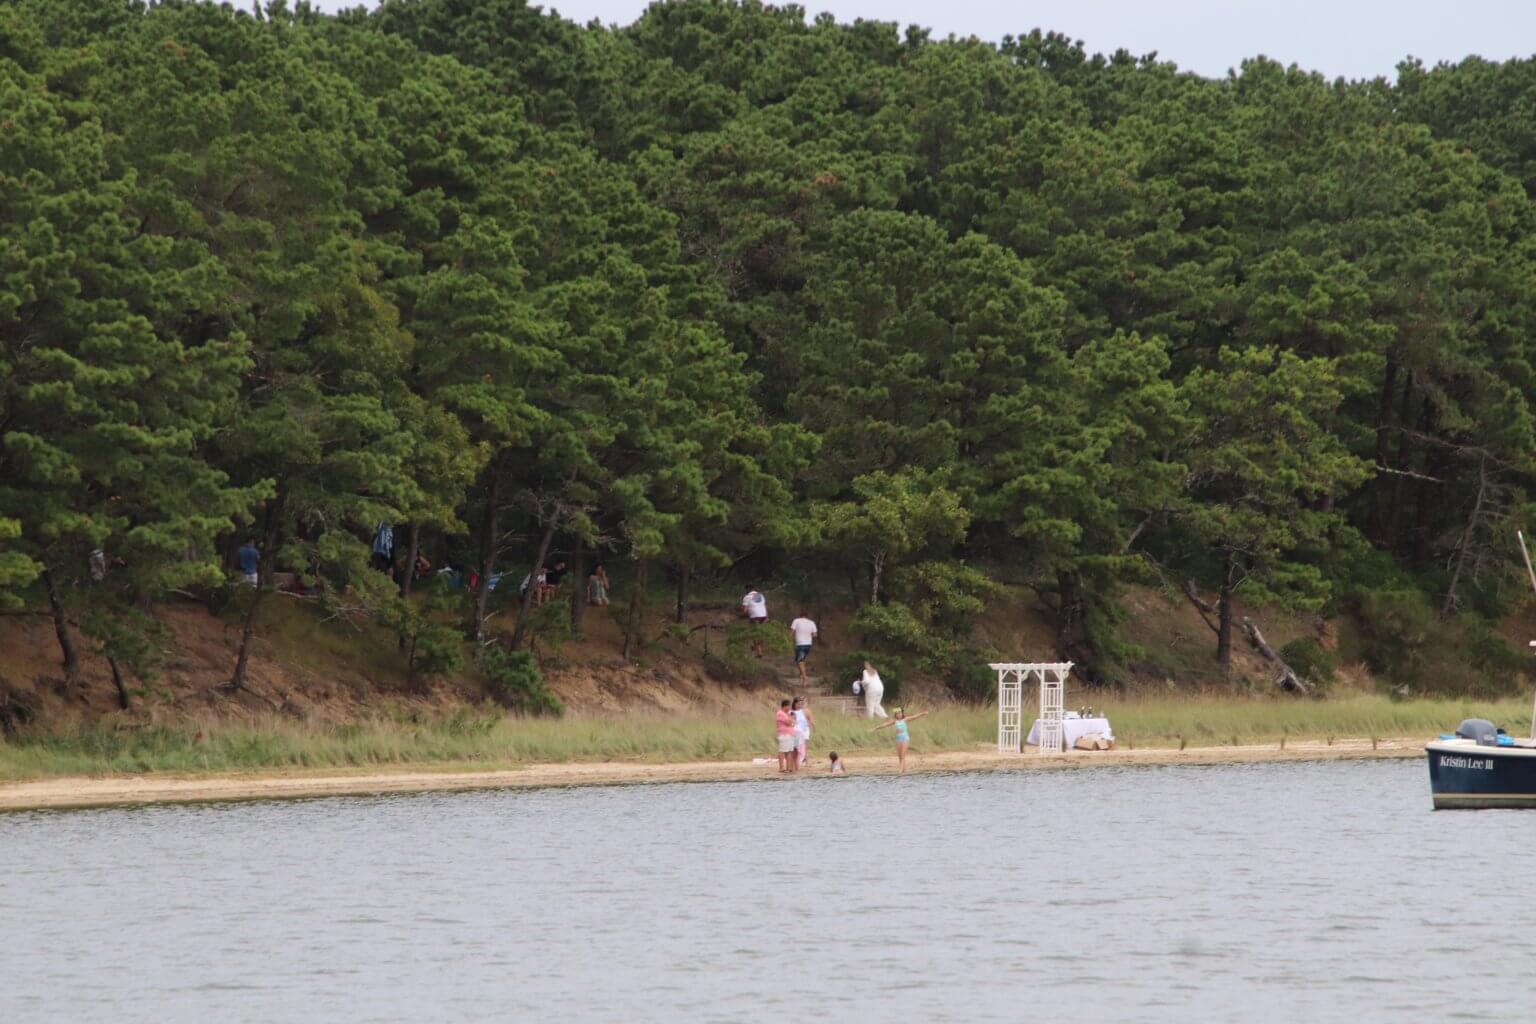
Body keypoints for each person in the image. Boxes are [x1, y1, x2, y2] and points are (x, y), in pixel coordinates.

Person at [871, 707, 929, 773]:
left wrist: (923, 713)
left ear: (902, 714)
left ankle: (900, 771)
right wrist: (875, 728)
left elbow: (914, 717)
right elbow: (885, 725)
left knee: (902, 755)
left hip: (905, 738)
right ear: (895, 715)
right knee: (900, 756)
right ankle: (904, 770)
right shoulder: (894, 721)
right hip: (898, 739)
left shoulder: (905, 719)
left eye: (900, 713)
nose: (899, 715)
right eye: (897, 714)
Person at [788, 612, 818, 683]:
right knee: (801, 660)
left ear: (800, 616)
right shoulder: (811, 622)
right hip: (808, 644)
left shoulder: (796, 621)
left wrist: (789, 639)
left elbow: (792, 631)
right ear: (807, 616)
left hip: (800, 643)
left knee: (800, 661)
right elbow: (815, 635)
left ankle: (804, 676)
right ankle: (802, 674)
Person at [741, 587, 769, 658]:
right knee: (761, 633)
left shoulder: (747, 597)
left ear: (747, 590)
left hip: (754, 616)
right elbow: (764, 606)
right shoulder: (760, 595)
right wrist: (767, 616)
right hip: (763, 616)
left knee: (755, 633)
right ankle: (756, 646)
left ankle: (759, 652)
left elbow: (744, 610)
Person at [775, 698, 798, 774]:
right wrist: (791, 719)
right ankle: (781, 767)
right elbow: (789, 722)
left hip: (790, 734)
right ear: (785, 706)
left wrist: (792, 719)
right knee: (782, 751)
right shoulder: (780, 713)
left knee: (789, 751)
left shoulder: (786, 714)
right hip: (784, 734)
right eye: (789, 706)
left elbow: (794, 722)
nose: (790, 708)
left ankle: (789, 767)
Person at [792, 695, 815, 769]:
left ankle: (806, 761)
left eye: (802, 702)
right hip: (796, 731)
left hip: (804, 731)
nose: (801, 704)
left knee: (804, 746)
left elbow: (811, 720)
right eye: (799, 702)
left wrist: (814, 727)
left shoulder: (806, 711)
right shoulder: (793, 711)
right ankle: (799, 760)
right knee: (797, 747)